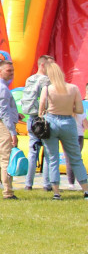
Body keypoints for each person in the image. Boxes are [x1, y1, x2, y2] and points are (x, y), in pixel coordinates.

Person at [38, 61, 88, 200]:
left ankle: (56, 192)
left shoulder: (47, 89)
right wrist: (68, 108)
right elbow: (79, 110)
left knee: (52, 158)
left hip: (51, 122)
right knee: (75, 158)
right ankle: (86, 190)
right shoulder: (73, 88)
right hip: (68, 122)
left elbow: (41, 109)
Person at [0, 59, 20, 199]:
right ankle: (8, 191)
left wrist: (16, 114)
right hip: (2, 126)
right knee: (6, 159)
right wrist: (13, 132)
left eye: (12, 71)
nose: (11, 74)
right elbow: (4, 112)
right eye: (8, 71)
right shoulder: (2, 88)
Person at [20, 55, 52, 190]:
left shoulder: (30, 79)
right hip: (43, 118)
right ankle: (46, 184)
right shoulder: (46, 80)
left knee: (33, 151)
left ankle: (28, 183)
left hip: (31, 119)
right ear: (43, 65)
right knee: (48, 151)